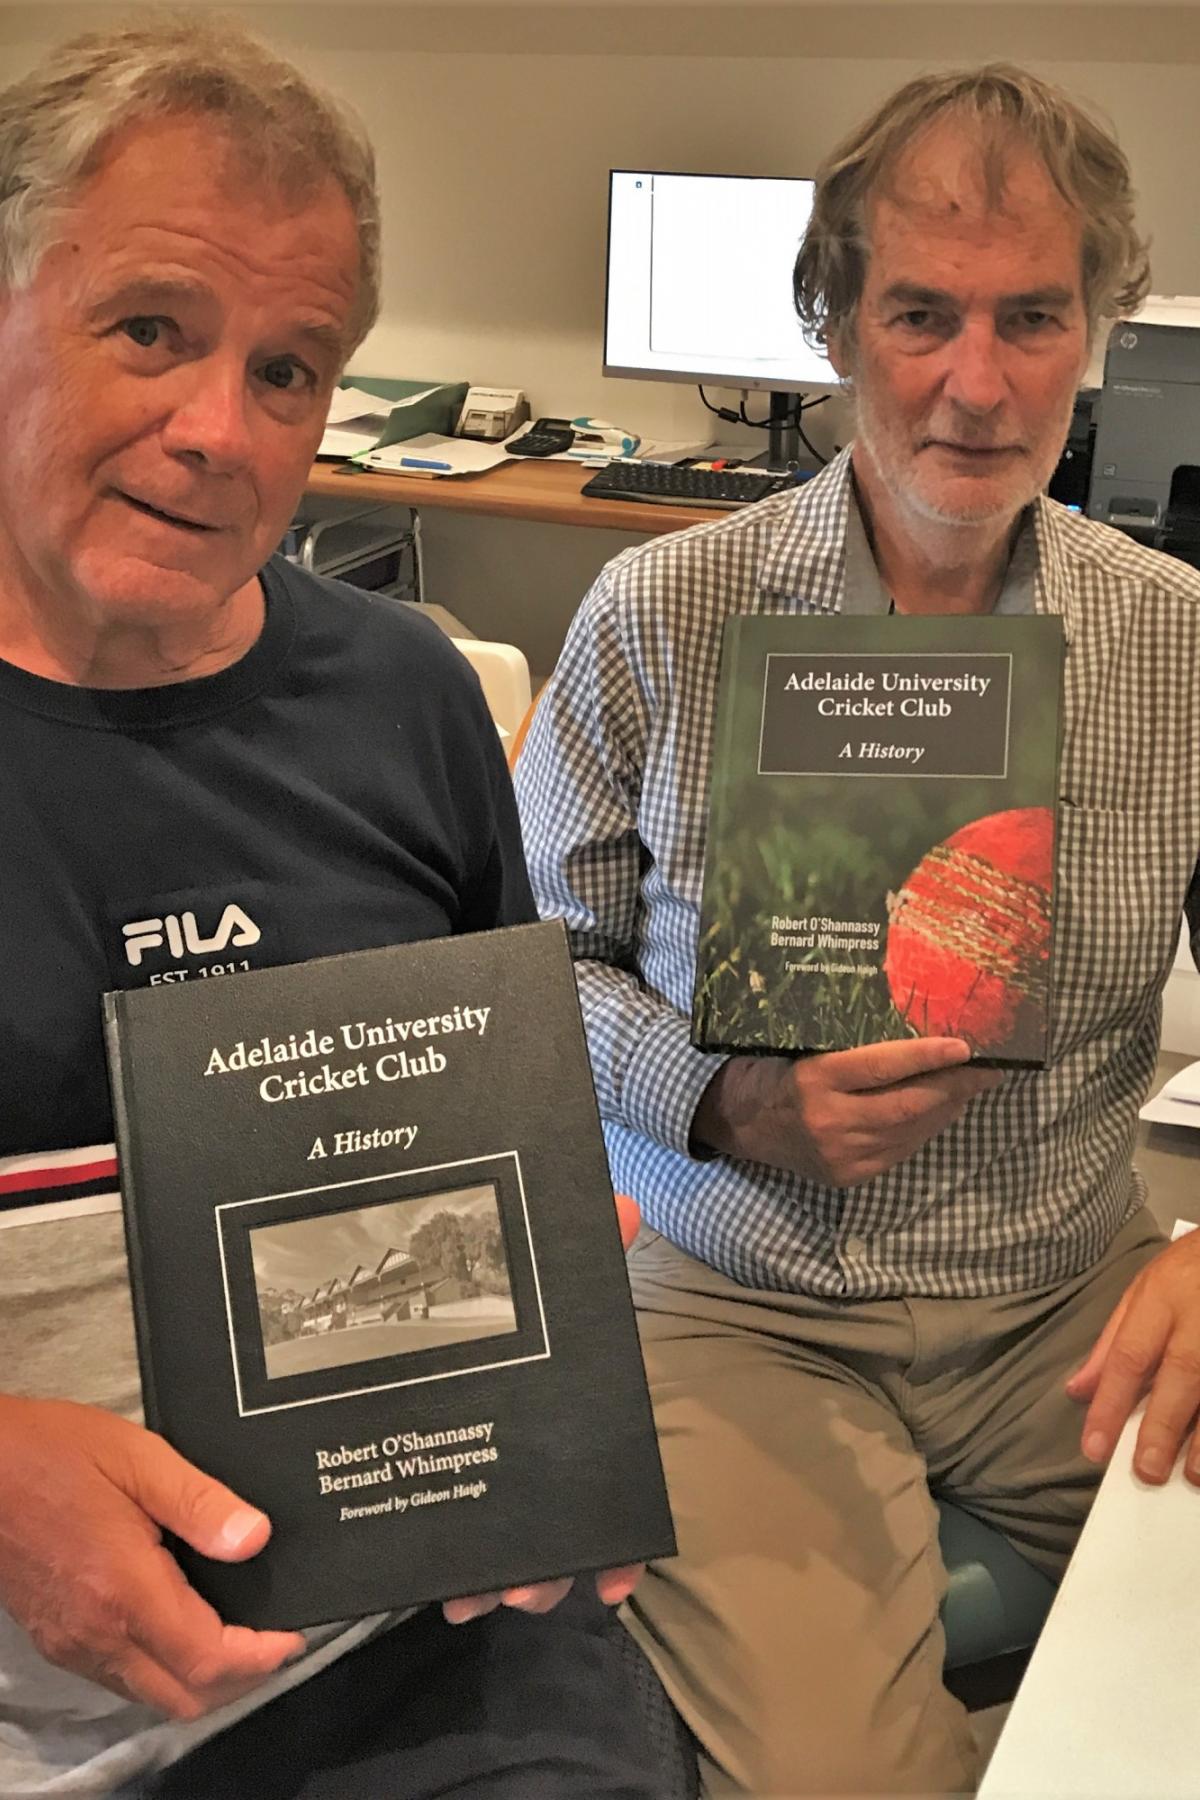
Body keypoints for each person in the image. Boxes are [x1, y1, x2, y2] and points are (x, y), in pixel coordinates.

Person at [516, 63, 1200, 1798]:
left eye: (1033, 317)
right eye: (921, 314)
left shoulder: (1176, 639)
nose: (979, 384)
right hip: (738, 1297)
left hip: (1070, 1287)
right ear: (831, 326)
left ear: (1095, 331)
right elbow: (521, 963)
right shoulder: (663, 610)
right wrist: (720, 1098)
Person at [0, 18, 654, 1799]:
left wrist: (559, 1375)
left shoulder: (407, 696)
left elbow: (512, 1160)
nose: (220, 431)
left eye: (291, 371)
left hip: (406, 1639)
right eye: (151, 329)